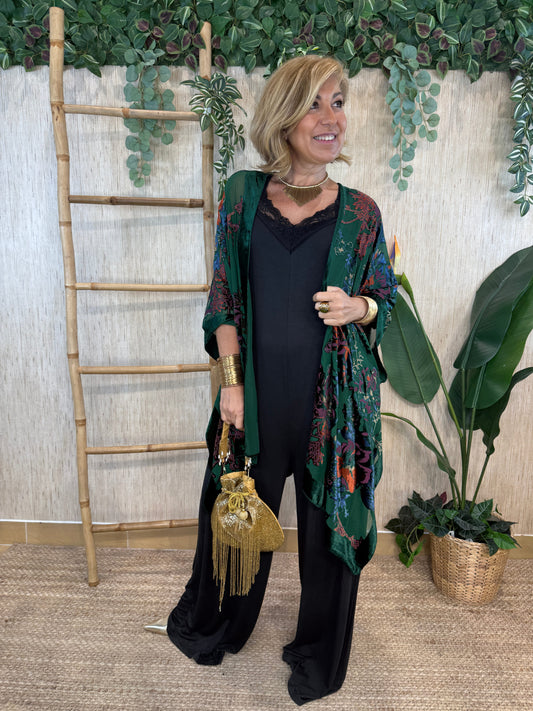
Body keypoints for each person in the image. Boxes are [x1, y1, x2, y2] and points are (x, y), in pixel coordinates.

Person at [165, 55, 397, 705]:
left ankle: (318, 650)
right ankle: (222, 625)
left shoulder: (361, 212)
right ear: (283, 116)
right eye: (314, 103)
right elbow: (223, 299)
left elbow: (384, 297)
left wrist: (358, 307)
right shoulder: (243, 196)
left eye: (338, 102)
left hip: (334, 409)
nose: (330, 118)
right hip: (257, 402)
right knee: (237, 521)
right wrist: (231, 384)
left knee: (327, 538)